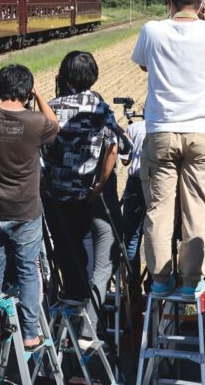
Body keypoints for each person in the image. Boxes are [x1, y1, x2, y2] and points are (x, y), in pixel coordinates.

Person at [132, 0, 205, 297]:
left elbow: (144, 65)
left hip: (162, 131)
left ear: (169, 2)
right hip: (203, 134)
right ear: (202, 3)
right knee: (198, 212)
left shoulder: (152, 30)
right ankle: (193, 282)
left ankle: (161, 281)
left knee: (159, 211)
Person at [0, 64, 59, 349]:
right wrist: (39, 95)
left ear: (1, 86)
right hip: (25, 211)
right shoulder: (35, 123)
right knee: (27, 271)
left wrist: (1, 92)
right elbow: (55, 125)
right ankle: (31, 332)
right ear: (27, 90)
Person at [42, 51, 122, 347]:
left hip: (56, 194)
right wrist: (99, 186)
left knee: (65, 244)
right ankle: (85, 308)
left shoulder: (51, 107)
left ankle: (73, 295)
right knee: (87, 240)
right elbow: (115, 148)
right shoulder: (100, 107)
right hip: (86, 193)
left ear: (63, 76)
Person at [120, 117, 147, 284]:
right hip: (158, 184)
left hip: (136, 183)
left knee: (132, 236)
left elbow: (125, 160)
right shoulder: (165, 127)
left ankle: (133, 282)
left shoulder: (135, 128)